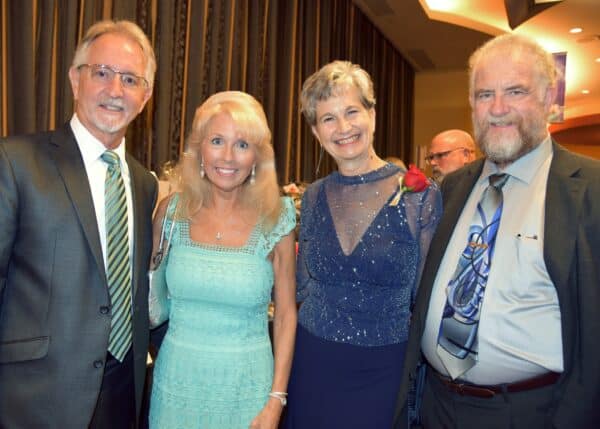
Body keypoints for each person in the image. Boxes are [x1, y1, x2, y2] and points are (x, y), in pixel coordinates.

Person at [393, 34, 600, 428]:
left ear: (548, 98)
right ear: (471, 104)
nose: (498, 109)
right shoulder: (454, 187)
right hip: (435, 404)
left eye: (516, 91)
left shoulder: (590, 190)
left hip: (529, 412)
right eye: (485, 94)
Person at [0, 20, 157, 428]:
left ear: (146, 96)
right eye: (101, 73)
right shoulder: (15, 163)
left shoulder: (144, 185)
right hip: (33, 399)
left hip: (124, 396)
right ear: (74, 79)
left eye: (129, 79)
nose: (115, 90)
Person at [283, 61, 442, 428]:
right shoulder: (313, 197)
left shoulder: (420, 196)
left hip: (384, 370)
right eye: (328, 118)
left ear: (372, 113)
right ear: (314, 130)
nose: (343, 128)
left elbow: (426, 299)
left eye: (352, 111)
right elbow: (303, 285)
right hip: (313, 362)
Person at [148, 91, 297, 429]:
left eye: (243, 145)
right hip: (176, 388)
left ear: (258, 156)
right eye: (217, 141)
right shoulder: (170, 213)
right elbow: (148, 297)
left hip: (249, 393)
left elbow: (287, 315)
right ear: (199, 148)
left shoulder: (278, 219)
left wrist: (275, 401)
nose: (228, 157)